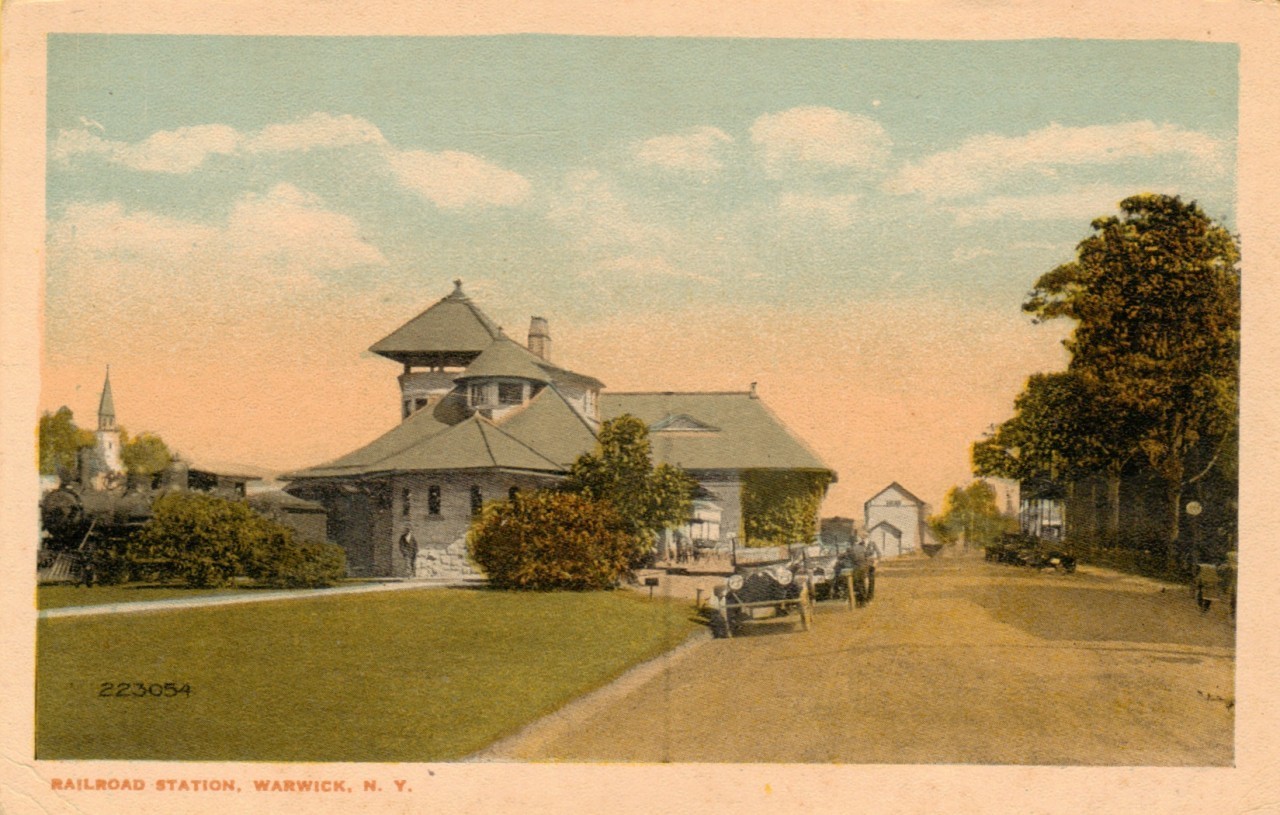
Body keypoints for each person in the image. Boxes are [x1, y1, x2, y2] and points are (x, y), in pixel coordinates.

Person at [848, 537, 872, 607]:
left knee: (857, 585)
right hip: (864, 568)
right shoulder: (862, 548)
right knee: (863, 584)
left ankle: (860, 602)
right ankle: (864, 601)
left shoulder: (850, 549)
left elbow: (850, 559)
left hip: (856, 568)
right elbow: (867, 556)